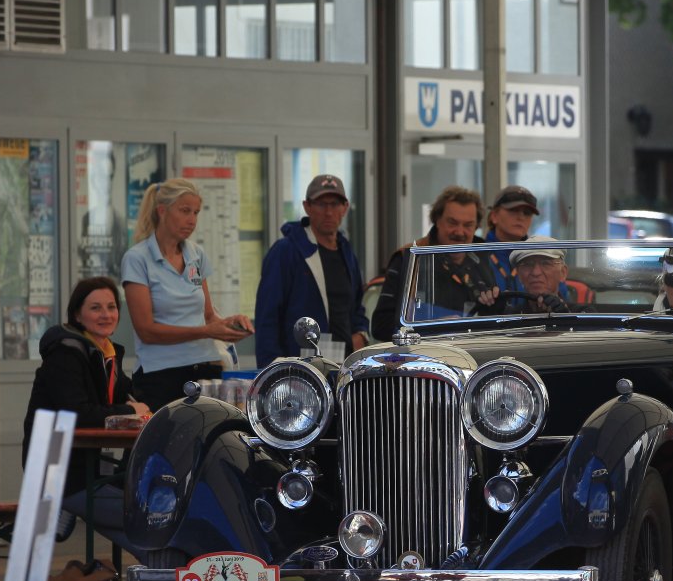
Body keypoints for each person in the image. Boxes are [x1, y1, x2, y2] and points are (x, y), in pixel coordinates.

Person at [23, 276, 150, 542]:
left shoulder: (106, 353)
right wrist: (129, 411)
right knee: (148, 522)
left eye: (111, 307)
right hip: (57, 471)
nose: (106, 314)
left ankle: (166, 568)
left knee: (146, 529)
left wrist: (138, 406)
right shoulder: (65, 354)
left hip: (89, 469)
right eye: (95, 308)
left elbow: (132, 398)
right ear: (77, 316)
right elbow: (78, 415)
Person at [120, 178, 253, 408]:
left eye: (196, 212)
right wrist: (206, 331)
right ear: (162, 211)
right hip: (161, 373)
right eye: (184, 211)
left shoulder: (195, 254)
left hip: (205, 368)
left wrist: (231, 326)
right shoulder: (137, 258)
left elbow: (208, 316)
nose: (192, 220)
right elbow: (147, 331)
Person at [254, 174, 369, 360]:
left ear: (345, 207)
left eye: (335, 204)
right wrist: (273, 368)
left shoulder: (346, 252)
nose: (328, 212)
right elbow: (267, 317)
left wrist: (361, 334)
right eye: (321, 204)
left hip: (343, 364)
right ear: (307, 207)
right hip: (300, 367)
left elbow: (357, 307)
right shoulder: (286, 251)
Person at [372, 185, 489, 340]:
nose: (459, 232)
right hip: (424, 353)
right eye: (452, 222)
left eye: (468, 225)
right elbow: (380, 326)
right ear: (437, 220)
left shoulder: (486, 259)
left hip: (475, 352)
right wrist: (433, 327)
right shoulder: (408, 259)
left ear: (477, 226)